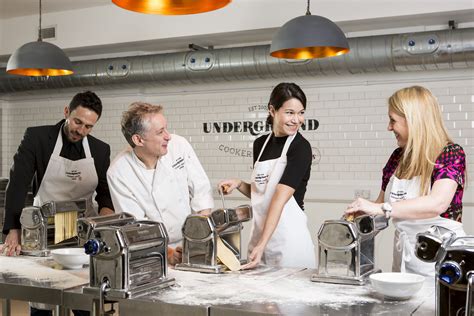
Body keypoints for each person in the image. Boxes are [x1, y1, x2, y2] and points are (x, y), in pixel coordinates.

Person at [0, 91, 114, 316]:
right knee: (43, 297)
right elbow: (18, 184)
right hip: (44, 229)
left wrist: (104, 221)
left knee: (83, 300)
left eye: (89, 127)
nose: (81, 131)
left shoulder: (101, 150)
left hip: (82, 231)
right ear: (66, 113)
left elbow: (105, 194)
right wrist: (13, 230)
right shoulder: (37, 138)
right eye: (77, 122)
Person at [345, 85, 466, 277]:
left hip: (441, 259)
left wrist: (382, 208)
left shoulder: (450, 154)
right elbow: (380, 207)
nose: (389, 127)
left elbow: (437, 203)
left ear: (413, 121)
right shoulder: (397, 157)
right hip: (404, 255)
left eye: (393, 120)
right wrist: (357, 224)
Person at [218, 82, 316, 270]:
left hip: (289, 245)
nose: (297, 120)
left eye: (301, 112)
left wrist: (261, 244)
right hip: (260, 242)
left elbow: (279, 199)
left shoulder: (300, 147)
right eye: (290, 112)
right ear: (272, 110)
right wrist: (239, 184)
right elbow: (262, 194)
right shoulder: (260, 144)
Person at [107, 102, 214, 265]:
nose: (168, 136)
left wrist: (198, 238)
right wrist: (169, 253)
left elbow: (201, 191)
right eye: (160, 132)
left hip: (192, 239)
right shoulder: (119, 172)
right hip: (152, 251)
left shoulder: (179, 146)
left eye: (166, 128)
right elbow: (136, 227)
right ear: (138, 139)